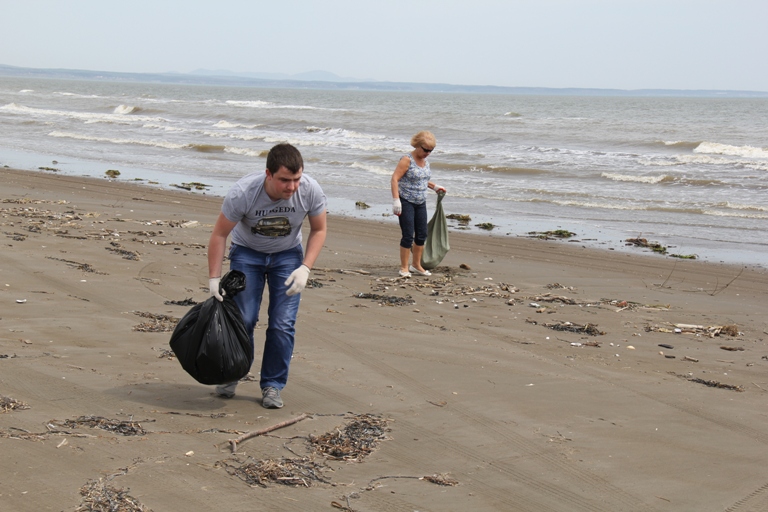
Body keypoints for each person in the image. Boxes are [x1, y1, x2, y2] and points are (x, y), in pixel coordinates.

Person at [207, 143, 327, 409]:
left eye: (296, 179)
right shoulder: (243, 192)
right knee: (245, 319)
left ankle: (272, 385)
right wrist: (214, 279)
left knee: (282, 324)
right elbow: (219, 234)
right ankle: (233, 374)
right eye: (285, 180)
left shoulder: (310, 189)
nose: (292, 187)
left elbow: (319, 229)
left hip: (287, 257)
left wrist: (305, 267)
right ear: (268, 174)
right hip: (247, 254)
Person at [390, 130, 446, 277]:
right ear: (417, 146)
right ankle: (404, 268)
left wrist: (434, 187)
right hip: (406, 201)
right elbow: (395, 179)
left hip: (421, 202)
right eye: (426, 150)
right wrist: (396, 200)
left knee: (422, 234)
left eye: (431, 150)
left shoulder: (425, 161)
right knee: (408, 235)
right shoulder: (407, 160)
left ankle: (416, 265)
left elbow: (421, 179)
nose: (428, 153)